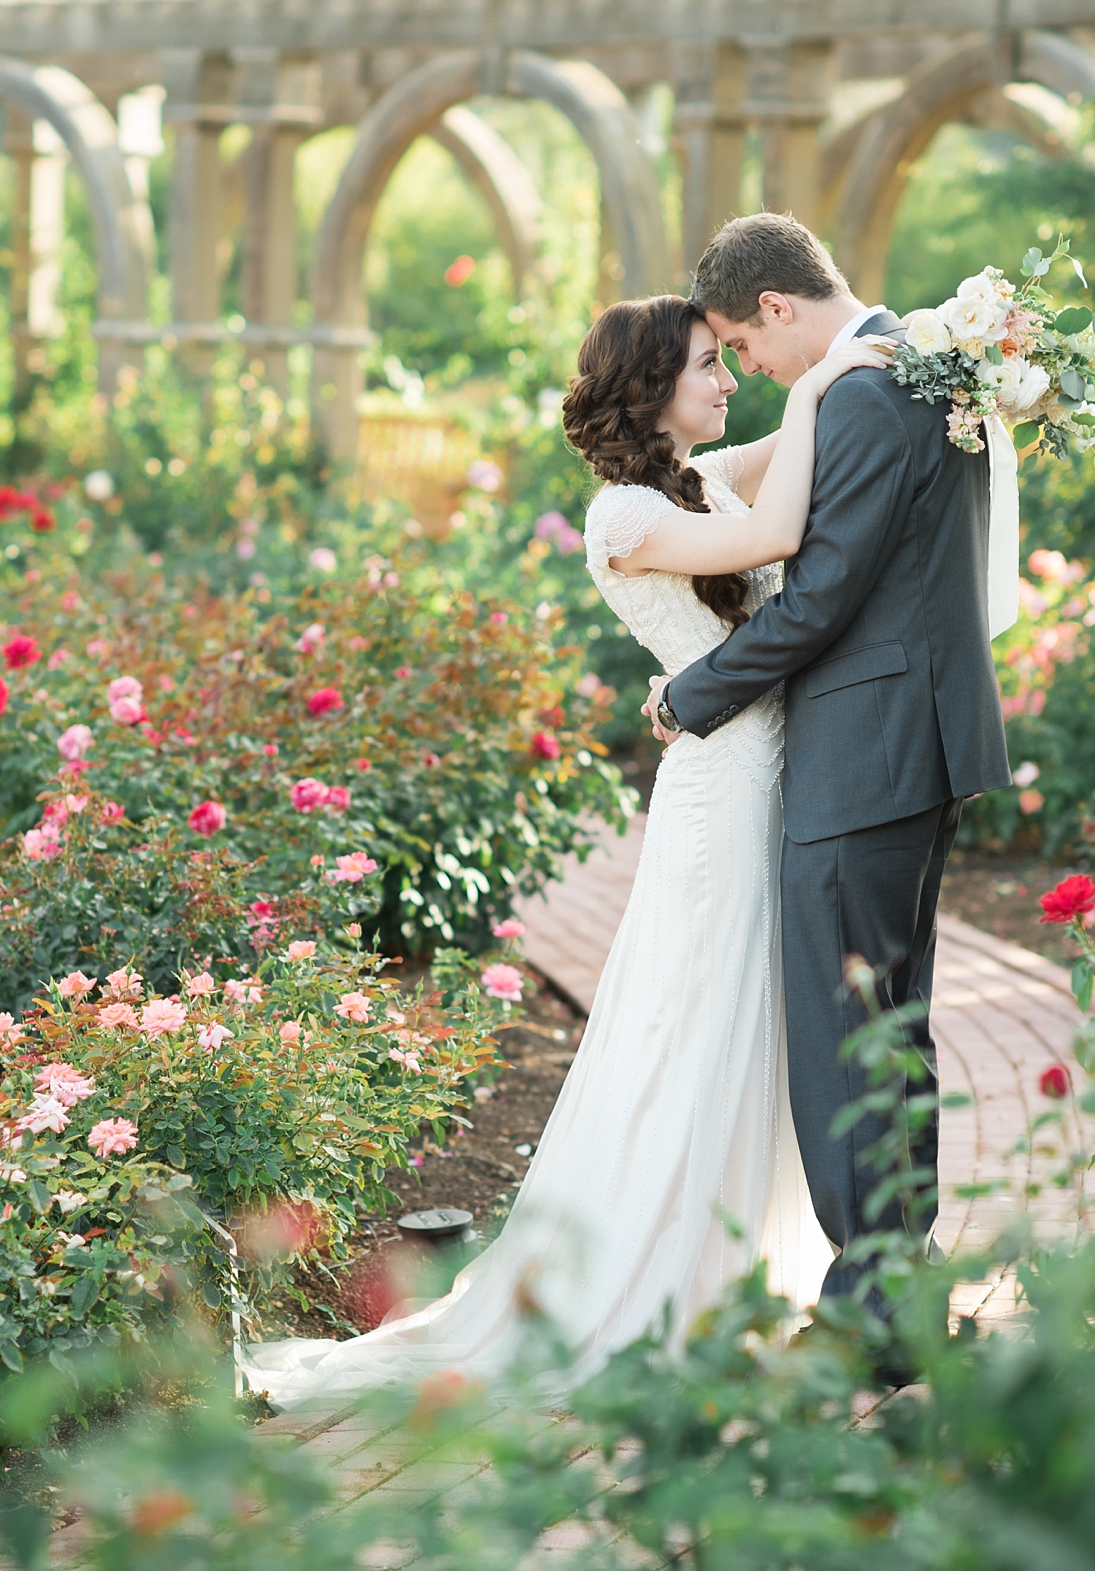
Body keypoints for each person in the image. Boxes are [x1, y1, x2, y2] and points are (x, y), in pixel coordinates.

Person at [236, 292, 893, 1412]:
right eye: (704, 364)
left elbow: (795, 451)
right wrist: (825, 379)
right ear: (649, 388)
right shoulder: (624, 517)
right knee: (697, 1027)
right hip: (723, 793)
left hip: (773, 776)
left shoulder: (699, 476)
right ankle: (653, 1291)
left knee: (756, 1028)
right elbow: (778, 536)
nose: (729, 378)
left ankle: (737, 1280)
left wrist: (854, 356)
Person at [649, 213, 1010, 1377]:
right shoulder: (917, 364)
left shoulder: (862, 394)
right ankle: (900, 1300)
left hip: (867, 754)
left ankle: (871, 1319)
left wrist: (689, 695)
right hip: (919, 741)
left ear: (777, 309)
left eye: (743, 351)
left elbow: (819, 603)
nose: (748, 373)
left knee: (844, 1040)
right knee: (888, 1032)